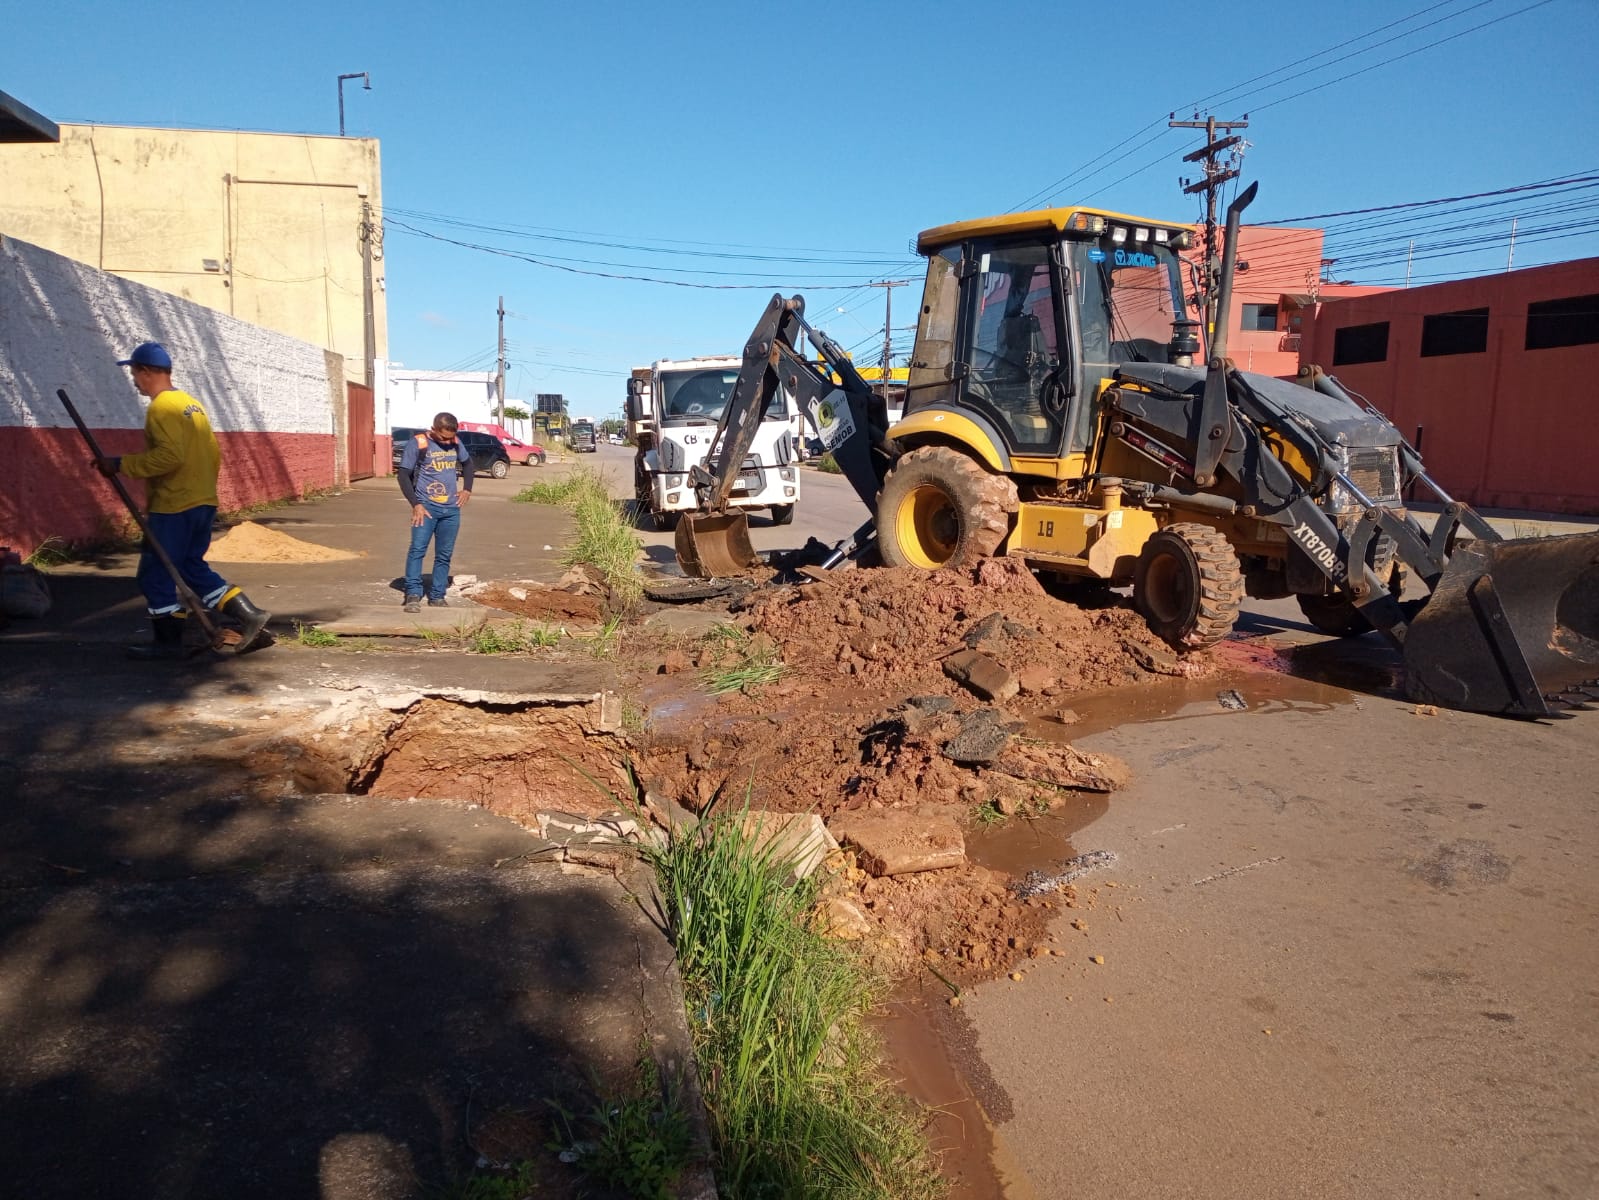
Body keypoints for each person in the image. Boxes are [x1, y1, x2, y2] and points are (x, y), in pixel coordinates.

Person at [94, 341, 272, 659]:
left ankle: (168, 643)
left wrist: (121, 464)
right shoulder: (192, 405)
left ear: (147, 371)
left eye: (135, 372)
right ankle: (249, 615)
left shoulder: (161, 408)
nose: (134, 379)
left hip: (173, 505)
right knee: (191, 566)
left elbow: (169, 457)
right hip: (201, 500)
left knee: (154, 573)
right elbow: (211, 451)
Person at [396, 412, 473, 612]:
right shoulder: (419, 443)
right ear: (433, 429)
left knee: (444, 555)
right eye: (443, 438)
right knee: (417, 550)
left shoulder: (455, 442)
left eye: (450, 438)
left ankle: (437, 595)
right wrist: (415, 504)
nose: (447, 442)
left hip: (450, 510)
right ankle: (413, 594)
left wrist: (467, 489)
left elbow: (468, 464)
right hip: (426, 509)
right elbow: (403, 474)